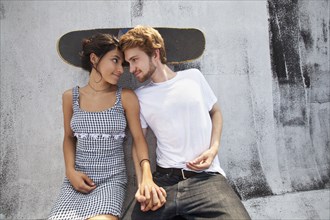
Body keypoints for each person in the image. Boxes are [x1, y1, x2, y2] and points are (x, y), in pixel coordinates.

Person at [119, 25, 251, 220]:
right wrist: (143, 183)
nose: (131, 69)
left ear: (155, 53)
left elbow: (216, 112)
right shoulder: (140, 96)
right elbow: (139, 142)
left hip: (206, 179)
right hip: (165, 181)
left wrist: (213, 149)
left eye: (135, 60)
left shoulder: (193, 77)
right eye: (128, 62)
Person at [49, 33, 166, 220]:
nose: (121, 69)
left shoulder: (126, 97)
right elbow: (69, 138)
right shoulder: (70, 97)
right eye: (115, 61)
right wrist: (70, 171)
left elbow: (138, 139)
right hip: (75, 183)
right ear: (94, 59)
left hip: (110, 182)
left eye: (123, 64)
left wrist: (146, 177)